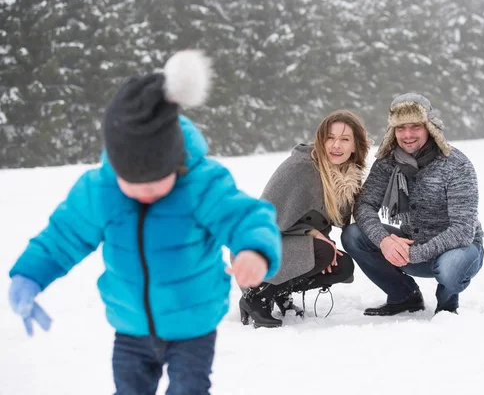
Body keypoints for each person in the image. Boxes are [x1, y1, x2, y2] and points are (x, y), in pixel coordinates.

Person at [7, 50, 281, 395]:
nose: (144, 190)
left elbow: (247, 217)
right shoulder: (101, 191)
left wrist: (254, 251)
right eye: (132, 181)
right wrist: (29, 276)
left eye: (155, 180)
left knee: (188, 389)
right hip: (131, 327)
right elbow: (62, 237)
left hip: (193, 324)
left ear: (174, 160)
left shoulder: (201, 183)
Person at [342, 93, 484, 316]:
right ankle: (404, 296)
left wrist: (414, 254)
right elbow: (365, 205)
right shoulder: (388, 161)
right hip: (410, 245)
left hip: (460, 249)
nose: (407, 135)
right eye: (400, 128)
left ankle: (447, 304)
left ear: (429, 127)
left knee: (451, 267)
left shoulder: (456, 165)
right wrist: (386, 241)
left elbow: (463, 231)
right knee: (353, 234)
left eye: (415, 126)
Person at [238, 110, 370, 328]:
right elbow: (267, 220)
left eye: (345, 139)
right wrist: (312, 233)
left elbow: (344, 218)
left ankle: (279, 293)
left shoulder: (344, 175)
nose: (336, 145)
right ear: (321, 140)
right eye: (330, 137)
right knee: (323, 251)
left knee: (342, 265)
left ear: (355, 146)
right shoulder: (301, 167)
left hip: (289, 246)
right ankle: (258, 295)